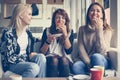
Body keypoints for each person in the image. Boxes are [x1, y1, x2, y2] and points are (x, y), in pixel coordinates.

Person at [0, 4, 46, 78]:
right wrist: (28, 57)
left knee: (41, 57)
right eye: (29, 14)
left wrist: (32, 54)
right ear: (21, 15)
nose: (31, 17)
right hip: (12, 64)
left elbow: (31, 47)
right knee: (34, 67)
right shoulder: (9, 33)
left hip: (24, 62)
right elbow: (9, 58)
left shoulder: (28, 33)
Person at [72, 2, 113, 75]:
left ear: (102, 15)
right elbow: (81, 49)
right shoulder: (82, 29)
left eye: (98, 11)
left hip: (101, 60)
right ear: (88, 14)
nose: (95, 13)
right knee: (76, 67)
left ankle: (96, 74)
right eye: (92, 10)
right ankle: (92, 75)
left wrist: (99, 30)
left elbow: (101, 51)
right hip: (86, 61)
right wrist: (88, 63)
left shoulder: (107, 30)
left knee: (96, 57)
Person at [40, 8, 74, 77]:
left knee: (64, 60)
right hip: (50, 57)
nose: (60, 20)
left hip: (64, 57)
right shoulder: (47, 31)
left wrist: (65, 35)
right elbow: (42, 52)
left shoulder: (70, 32)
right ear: (54, 20)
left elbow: (69, 51)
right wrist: (48, 41)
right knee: (54, 60)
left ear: (66, 21)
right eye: (57, 18)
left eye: (63, 18)